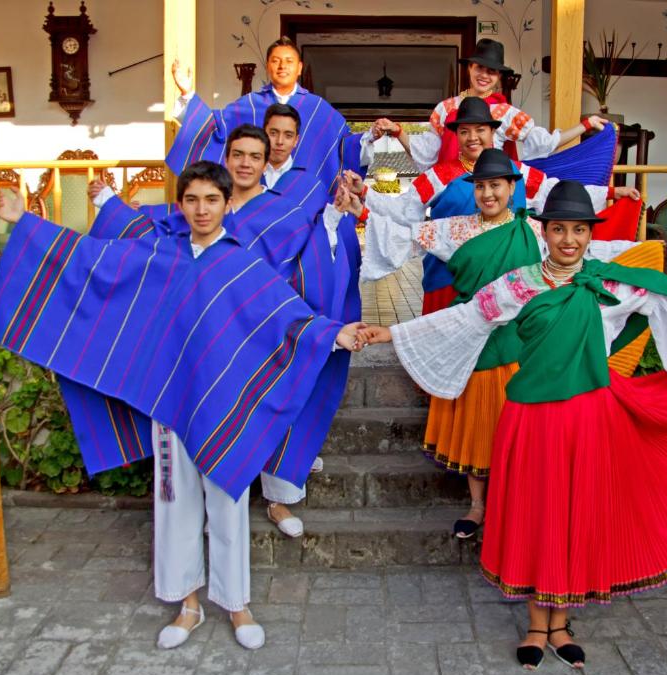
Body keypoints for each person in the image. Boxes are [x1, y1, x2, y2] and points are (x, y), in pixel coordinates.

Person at [357, 180, 667, 670]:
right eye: (559, 230)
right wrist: (390, 332)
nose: (569, 239)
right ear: (545, 232)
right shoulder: (518, 284)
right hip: (531, 420)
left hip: (589, 419)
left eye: (578, 230)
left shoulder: (613, 284)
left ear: (590, 235)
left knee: (576, 512)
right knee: (537, 514)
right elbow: (463, 319)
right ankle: (537, 624)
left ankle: (562, 623)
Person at [0, 161, 364, 651]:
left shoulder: (242, 265)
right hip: (169, 403)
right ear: (181, 204)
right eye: (192, 200)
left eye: (212, 200)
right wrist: (23, 220)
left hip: (224, 406)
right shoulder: (159, 253)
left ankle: (237, 604)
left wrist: (335, 334)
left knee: (227, 505)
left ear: (227, 203)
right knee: (173, 503)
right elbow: (88, 259)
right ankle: (188, 604)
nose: (201, 209)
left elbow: (287, 318)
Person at [340, 149, 644, 537]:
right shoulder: (454, 229)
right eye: (481, 186)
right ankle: (477, 506)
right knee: (479, 425)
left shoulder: (535, 230)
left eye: (496, 185)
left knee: (519, 429)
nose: (488, 194)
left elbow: (580, 253)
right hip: (473, 335)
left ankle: (511, 505)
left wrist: (649, 261)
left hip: (523, 341)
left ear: (512, 188)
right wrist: (361, 210)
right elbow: (406, 237)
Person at [88, 123, 354, 538]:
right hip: (209, 328)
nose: (245, 163)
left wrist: (333, 219)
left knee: (276, 403)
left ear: (267, 163)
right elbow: (152, 238)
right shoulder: (205, 204)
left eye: (254, 156)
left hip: (264, 324)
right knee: (208, 412)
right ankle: (208, 506)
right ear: (226, 158)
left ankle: (278, 498)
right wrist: (109, 203)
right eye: (237, 155)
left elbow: (314, 253)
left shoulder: (287, 211)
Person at [339, 96, 638, 314]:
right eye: (465, 131)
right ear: (457, 135)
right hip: (448, 279)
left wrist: (613, 192)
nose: (473, 137)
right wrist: (363, 192)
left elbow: (556, 193)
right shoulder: (438, 175)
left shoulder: (516, 172)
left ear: (492, 133)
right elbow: (403, 211)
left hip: (506, 282)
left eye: (480, 129)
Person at [364, 38, 608, 172]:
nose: (484, 75)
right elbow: (427, 152)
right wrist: (398, 131)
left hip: (489, 190)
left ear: (498, 76)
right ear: (469, 68)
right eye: (480, 68)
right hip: (449, 190)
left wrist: (585, 125)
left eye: (492, 71)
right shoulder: (445, 109)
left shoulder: (505, 113)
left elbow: (545, 143)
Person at [166, 36, 368, 196]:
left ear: (299, 68)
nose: (282, 66)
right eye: (276, 61)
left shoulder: (318, 109)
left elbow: (343, 146)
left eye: (289, 61)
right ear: (267, 66)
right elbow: (212, 129)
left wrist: (372, 138)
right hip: (254, 202)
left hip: (302, 205)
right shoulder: (249, 105)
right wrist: (187, 93)